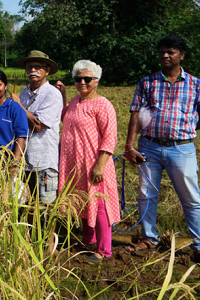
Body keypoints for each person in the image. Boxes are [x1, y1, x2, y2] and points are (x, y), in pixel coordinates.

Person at [124, 35, 200, 262]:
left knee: (191, 198)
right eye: (162, 52)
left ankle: (198, 245)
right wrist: (129, 145)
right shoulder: (147, 83)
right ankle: (149, 238)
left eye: (171, 52)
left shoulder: (196, 84)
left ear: (181, 55)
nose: (165, 56)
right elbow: (135, 114)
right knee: (147, 195)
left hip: (182, 148)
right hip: (150, 147)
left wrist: (187, 131)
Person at [58, 60, 120, 264]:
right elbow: (65, 117)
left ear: (97, 81)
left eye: (87, 79)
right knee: (81, 200)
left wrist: (100, 164)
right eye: (78, 79)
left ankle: (104, 250)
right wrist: (64, 97)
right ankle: (88, 238)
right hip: (74, 163)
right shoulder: (76, 101)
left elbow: (110, 137)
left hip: (94, 163)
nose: (82, 82)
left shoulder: (103, 104)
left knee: (99, 203)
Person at [11, 50, 65, 204]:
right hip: (25, 163)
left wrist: (18, 105)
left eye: (37, 67)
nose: (32, 70)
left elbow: (38, 125)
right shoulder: (24, 92)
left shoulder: (52, 94)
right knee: (25, 208)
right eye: (29, 67)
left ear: (46, 70)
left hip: (44, 164)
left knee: (43, 211)